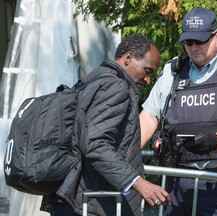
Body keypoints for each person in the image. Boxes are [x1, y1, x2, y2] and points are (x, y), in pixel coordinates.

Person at [140, 6, 217, 216]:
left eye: (200, 41)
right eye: (189, 42)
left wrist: (215, 140)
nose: (194, 47)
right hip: (175, 183)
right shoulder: (173, 73)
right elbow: (149, 117)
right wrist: (124, 158)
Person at [41, 34, 171, 216]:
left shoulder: (93, 79)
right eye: (147, 71)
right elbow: (95, 144)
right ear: (128, 58)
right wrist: (138, 182)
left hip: (74, 198)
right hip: (91, 203)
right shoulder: (116, 86)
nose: (148, 80)